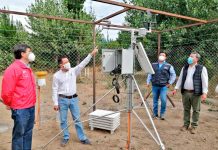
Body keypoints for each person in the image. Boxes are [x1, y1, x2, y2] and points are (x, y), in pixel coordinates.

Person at [52, 47, 98, 147]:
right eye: (65, 62)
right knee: (63, 120)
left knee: (77, 119)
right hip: (62, 100)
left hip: (73, 99)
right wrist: (56, 103)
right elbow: (54, 90)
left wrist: (91, 54)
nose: (68, 63)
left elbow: (83, 64)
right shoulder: (56, 76)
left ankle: (82, 138)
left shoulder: (73, 71)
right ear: (61, 65)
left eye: (68, 61)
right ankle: (65, 137)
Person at [1, 44, 36, 150]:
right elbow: (7, 92)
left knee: (28, 133)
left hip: (30, 106)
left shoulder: (27, 68)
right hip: (20, 109)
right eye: (29, 51)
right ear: (22, 54)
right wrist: (9, 103)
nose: (31, 54)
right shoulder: (13, 69)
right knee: (19, 135)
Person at [172, 52, 208, 134]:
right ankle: (185, 125)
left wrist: (204, 92)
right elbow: (180, 79)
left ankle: (194, 126)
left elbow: (204, 81)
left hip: (196, 93)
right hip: (185, 92)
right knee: (186, 109)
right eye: (189, 56)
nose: (189, 58)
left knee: (196, 110)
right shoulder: (184, 68)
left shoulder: (201, 68)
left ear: (197, 59)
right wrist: (176, 88)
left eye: (192, 57)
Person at [146, 52, 176, 120]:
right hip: (155, 85)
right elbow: (150, 74)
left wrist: (170, 82)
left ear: (165, 57)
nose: (161, 56)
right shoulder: (153, 65)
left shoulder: (169, 66)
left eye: (163, 55)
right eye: (160, 55)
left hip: (163, 86)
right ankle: (155, 113)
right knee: (155, 100)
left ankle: (162, 114)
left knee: (163, 100)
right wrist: (147, 82)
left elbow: (173, 75)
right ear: (158, 56)